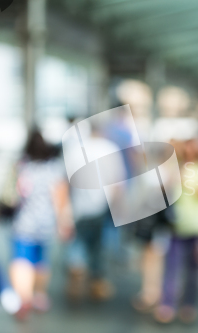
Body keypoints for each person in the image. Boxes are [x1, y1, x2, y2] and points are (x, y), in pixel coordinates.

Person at [154, 138, 198, 324]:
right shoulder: (178, 167)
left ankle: (188, 304)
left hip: (197, 226)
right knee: (173, 266)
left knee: (193, 269)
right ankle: (168, 304)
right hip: (179, 224)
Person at [8, 130, 73, 320]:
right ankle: (39, 295)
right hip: (46, 223)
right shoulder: (53, 168)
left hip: (23, 222)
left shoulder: (21, 166)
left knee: (21, 259)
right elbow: (60, 198)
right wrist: (64, 222)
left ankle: (24, 297)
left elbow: (11, 195)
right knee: (41, 260)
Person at [65, 125, 125, 302]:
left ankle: (76, 271)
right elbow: (117, 181)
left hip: (79, 205)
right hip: (103, 203)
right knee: (99, 245)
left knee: (77, 242)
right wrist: (118, 207)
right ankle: (97, 282)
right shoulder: (110, 148)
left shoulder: (75, 150)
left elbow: (66, 180)